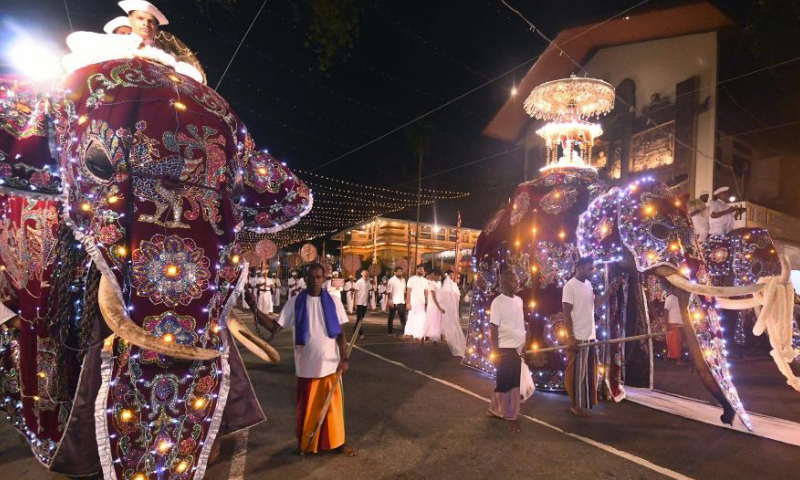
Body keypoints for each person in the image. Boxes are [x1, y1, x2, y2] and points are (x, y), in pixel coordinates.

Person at [257, 264, 356, 456]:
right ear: (305, 278)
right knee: (308, 410)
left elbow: (341, 334)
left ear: (324, 278)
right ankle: (307, 445)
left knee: (334, 411)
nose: (315, 280)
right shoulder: (295, 302)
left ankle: (339, 444)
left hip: (331, 364)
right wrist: (255, 308)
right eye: (311, 277)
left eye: (319, 277)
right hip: (306, 366)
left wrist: (344, 358)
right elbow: (274, 327)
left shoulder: (334, 301)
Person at [562, 257, 620, 418]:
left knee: (588, 372)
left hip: (590, 336)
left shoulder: (588, 285)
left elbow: (594, 305)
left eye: (593, 269)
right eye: (589, 269)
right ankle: (574, 404)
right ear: (579, 268)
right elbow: (566, 312)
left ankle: (582, 402)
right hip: (578, 337)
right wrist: (571, 336)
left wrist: (608, 292)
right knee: (576, 373)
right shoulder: (570, 286)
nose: (592, 272)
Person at [487, 270, 525, 433]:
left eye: (517, 281)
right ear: (503, 282)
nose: (517, 284)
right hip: (505, 349)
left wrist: (524, 344)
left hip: (517, 349)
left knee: (505, 383)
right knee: (509, 384)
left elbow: (520, 323)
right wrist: (495, 353)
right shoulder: (497, 302)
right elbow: (493, 328)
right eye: (513, 281)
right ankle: (511, 417)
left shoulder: (519, 300)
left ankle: (494, 410)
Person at [440, 270, 466, 357]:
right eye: (451, 274)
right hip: (449, 306)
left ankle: (450, 335)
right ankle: (447, 336)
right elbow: (446, 295)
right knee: (449, 321)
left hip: (453, 307)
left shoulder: (453, 284)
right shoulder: (448, 283)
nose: (452, 276)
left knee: (453, 322)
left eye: (453, 274)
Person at [663, 288, 686, 365]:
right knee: (674, 342)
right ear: (673, 290)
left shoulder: (678, 299)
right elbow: (665, 311)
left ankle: (670, 357)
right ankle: (678, 360)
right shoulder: (670, 298)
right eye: (677, 289)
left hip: (679, 323)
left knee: (677, 342)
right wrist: (666, 324)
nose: (678, 291)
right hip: (672, 323)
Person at [405, 264, 428, 340]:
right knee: (411, 317)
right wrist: (408, 303)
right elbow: (408, 292)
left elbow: (426, 293)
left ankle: (420, 334)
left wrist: (427, 302)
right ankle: (409, 333)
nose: (421, 270)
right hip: (413, 301)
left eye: (423, 269)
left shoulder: (425, 281)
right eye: (420, 269)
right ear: (417, 270)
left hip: (421, 302)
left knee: (421, 318)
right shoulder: (411, 279)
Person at [422, 271, 445, 346]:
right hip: (433, 306)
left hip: (437, 305)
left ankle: (434, 338)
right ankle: (427, 337)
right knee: (431, 321)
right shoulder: (432, 284)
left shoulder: (438, 284)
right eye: (438, 276)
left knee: (436, 322)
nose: (439, 277)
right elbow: (433, 297)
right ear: (434, 276)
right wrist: (439, 307)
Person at [386, 267, 407, 336]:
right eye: (398, 271)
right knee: (391, 317)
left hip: (401, 302)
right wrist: (390, 300)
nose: (400, 273)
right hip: (394, 302)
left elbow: (404, 291)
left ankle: (405, 332)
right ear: (394, 272)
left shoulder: (403, 280)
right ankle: (390, 332)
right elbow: (389, 291)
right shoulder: (391, 280)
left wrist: (405, 299)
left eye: (401, 271)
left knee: (403, 317)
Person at [353, 269, 370, 339]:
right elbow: (355, 292)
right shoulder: (359, 282)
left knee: (360, 318)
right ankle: (361, 333)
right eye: (364, 273)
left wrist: (369, 302)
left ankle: (355, 330)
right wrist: (354, 303)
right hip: (359, 302)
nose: (366, 274)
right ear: (362, 274)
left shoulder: (368, 282)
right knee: (359, 318)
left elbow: (368, 292)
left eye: (367, 273)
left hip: (365, 302)